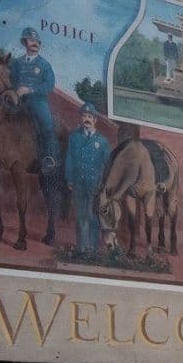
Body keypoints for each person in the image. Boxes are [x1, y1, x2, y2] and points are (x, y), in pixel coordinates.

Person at [10, 27, 59, 175]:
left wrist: (30, 89)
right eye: (31, 40)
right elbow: (11, 80)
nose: (34, 43)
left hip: (37, 102)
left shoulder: (44, 65)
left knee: (47, 125)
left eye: (36, 41)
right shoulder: (17, 63)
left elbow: (49, 85)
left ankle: (49, 158)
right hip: (18, 101)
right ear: (25, 42)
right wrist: (15, 91)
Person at [64, 102, 111, 254]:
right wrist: (69, 178)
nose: (87, 119)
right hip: (78, 182)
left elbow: (108, 165)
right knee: (80, 215)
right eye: (84, 116)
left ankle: (94, 248)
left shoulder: (102, 141)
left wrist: (103, 184)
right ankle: (82, 248)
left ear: (95, 119)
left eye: (90, 116)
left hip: (95, 184)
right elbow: (69, 159)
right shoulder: (74, 137)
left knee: (91, 216)